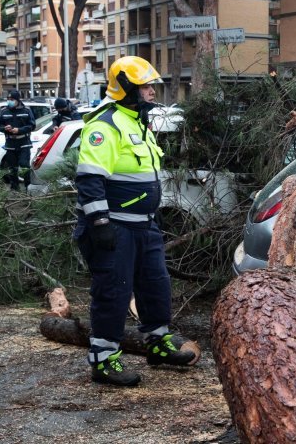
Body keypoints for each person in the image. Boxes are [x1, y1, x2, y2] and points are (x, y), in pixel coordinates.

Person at [74, 56, 194, 387]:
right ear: (127, 88)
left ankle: (158, 342)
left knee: (156, 284)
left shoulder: (138, 122)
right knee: (113, 292)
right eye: (146, 86)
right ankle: (104, 360)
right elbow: (89, 180)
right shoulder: (104, 126)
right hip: (115, 228)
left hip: (145, 225)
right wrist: (100, 224)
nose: (152, 91)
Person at [0, 90, 35, 191]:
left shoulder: (26, 110)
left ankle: (28, 188)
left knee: (24, 165)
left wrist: (19, 130)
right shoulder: (4, 111)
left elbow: (32, 125)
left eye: (12, 99)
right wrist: (5, 128)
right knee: (12, 168)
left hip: (24, 143)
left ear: (18, 100)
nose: (9, 101)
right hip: (10, 143)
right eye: (8, 99)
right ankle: (15, 189)